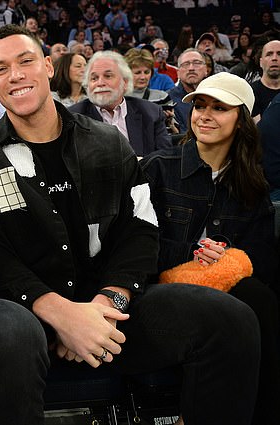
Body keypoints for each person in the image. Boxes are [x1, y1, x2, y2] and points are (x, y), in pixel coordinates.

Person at [0, 24, 261, 425]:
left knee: (232, 321)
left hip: (105, 306)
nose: (16, 75)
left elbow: (140, 228)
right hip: (18, 306)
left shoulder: (107, 142)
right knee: (9, 336)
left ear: (48, 67)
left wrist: (107, 303)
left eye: (25, 61)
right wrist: (62, 315)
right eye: (1, 68)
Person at [141, 72, 280, 425]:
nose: (204, 114)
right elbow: (137, 247)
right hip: (162, 291)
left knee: (258, 297)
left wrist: (228, 257)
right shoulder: (158, 167)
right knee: (254, 303)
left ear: (242, 121)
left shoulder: (251, 182)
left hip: (228, 294)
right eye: (200, 105)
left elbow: (262, 258)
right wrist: (192, 252)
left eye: (219, 108)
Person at [69, 50, 171, 157]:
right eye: (94, 78)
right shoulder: (73, 117)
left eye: (108, 76)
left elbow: (165, 159)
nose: (100, 83)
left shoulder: (151, 113)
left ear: (125, 82)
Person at [168, 48, 209, 134]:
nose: (191, 68)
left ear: (206, 70)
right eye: (186, 64)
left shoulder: (216, 96)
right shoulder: (168, 99)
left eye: (196, 63)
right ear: (178, 73)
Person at [251, 40, 280, 120]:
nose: (274, 58)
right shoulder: (250, 92)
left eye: (279, 54)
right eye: (269, 54)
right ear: (261, 62)